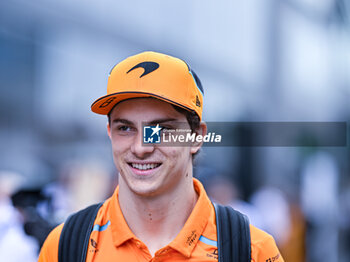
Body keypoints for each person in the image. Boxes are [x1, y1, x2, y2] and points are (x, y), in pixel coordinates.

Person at [38, 51, 284, 261]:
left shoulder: (252, 250)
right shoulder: (65, 245)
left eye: (161, 129)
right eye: (125, 128)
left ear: (197, 136)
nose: (141, 147)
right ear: (110, 133)